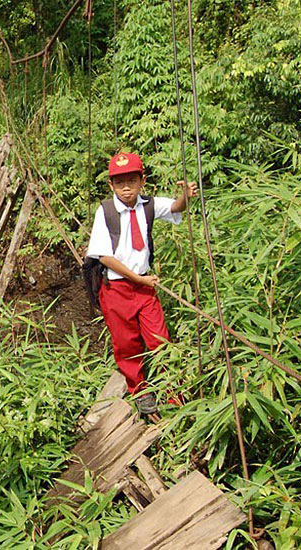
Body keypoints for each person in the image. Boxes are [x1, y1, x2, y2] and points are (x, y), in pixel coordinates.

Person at [85, 152, 197, 415]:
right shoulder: (106, 212)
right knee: (127, 344)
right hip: (117, 290)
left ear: (142, 180)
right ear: (111, 185)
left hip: (145, 288)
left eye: (132, 181)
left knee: (160, 340)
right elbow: (105, 257)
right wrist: (137, 278)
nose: (127, 188)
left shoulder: (147, 204)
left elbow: (174, 208)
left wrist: (186, 197)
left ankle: (173, 393)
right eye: (120, 182)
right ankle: (140, 391)